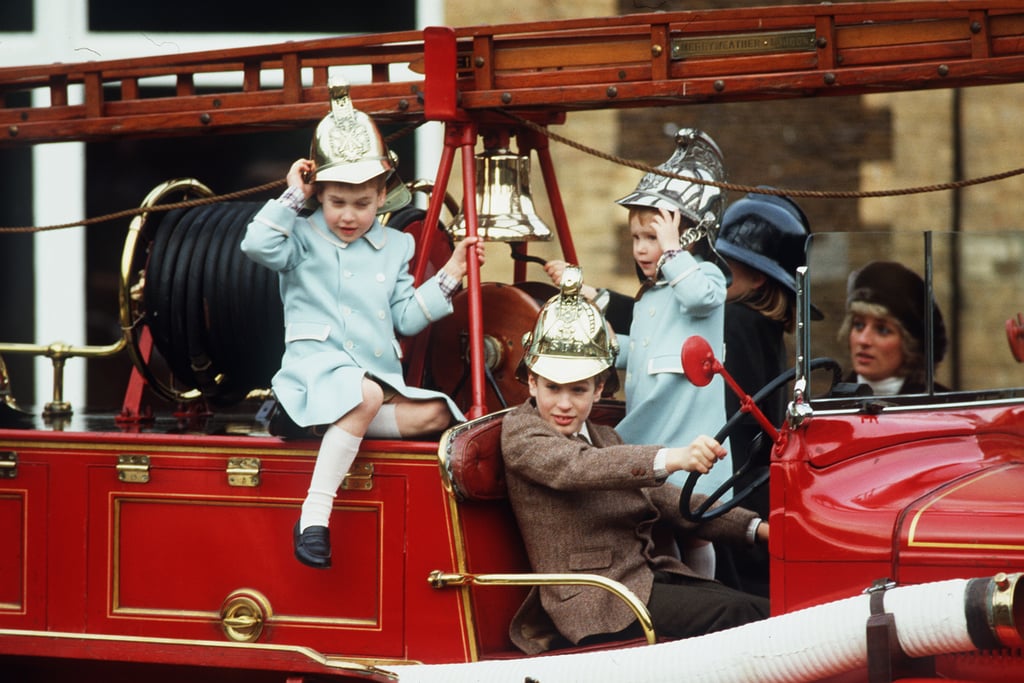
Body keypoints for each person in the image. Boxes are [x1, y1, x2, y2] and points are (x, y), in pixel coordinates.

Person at [241, 83, 485, 569]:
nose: (349, 215)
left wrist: (451, 273)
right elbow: (256, 247)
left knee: (438, 416)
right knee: (367, 396)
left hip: (372, 379)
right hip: (317, 370)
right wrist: (294, 195)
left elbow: (406, 318)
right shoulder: (301, 236)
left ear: (382, 196)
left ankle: (323, 429)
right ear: (320, 194)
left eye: (362, 202)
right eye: (336, 202)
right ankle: (314, 515)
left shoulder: (397, 246)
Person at [501, 266, 769, 655]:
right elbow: (578, 467)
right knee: (742, 615)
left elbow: (667, 502)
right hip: (594, 602)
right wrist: (674, 457)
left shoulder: (603, 436)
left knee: (759, 609)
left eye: (577, 390)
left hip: (640, 581)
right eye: (552, 387)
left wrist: (757, 529)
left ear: (598, 390)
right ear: (531, 382)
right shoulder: (522, 433)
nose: (563, 403)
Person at [711, 188, 819, 598]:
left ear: (756, 277)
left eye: (725, 266)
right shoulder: (762, 326)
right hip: (759, 497)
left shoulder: (735, 320)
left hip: (732, 501)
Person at [838, 261, 948, 395]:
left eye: (882, 330)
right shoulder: (821, 409)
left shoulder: (944, 409)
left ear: (911, 345)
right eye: (858, 325)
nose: (863, 340)